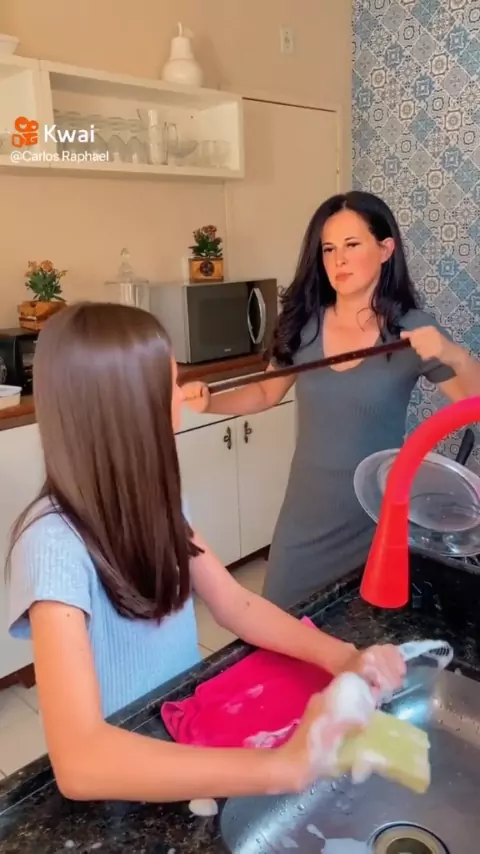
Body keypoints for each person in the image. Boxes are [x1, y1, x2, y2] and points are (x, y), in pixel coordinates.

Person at [6, 302, 405, 805]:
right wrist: (282, 765)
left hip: (182, 725)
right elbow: (82, 762)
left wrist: (343, 656)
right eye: (172, 382)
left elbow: (235, 603)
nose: (184, 393)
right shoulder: (52, 543)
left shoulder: (156, 498)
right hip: (130, 767)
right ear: (128, 405)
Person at [183, 191, 480, 609]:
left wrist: (454, 355)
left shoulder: (411, 329)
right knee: (280, 622)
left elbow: (472, 402)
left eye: (352, 245)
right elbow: (265, 391)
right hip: (305, 513)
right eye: (328, 249)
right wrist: (209, 402)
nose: (338, 260)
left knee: (357, 632)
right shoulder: (303, 324)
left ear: (385, 250)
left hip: (373, 518)